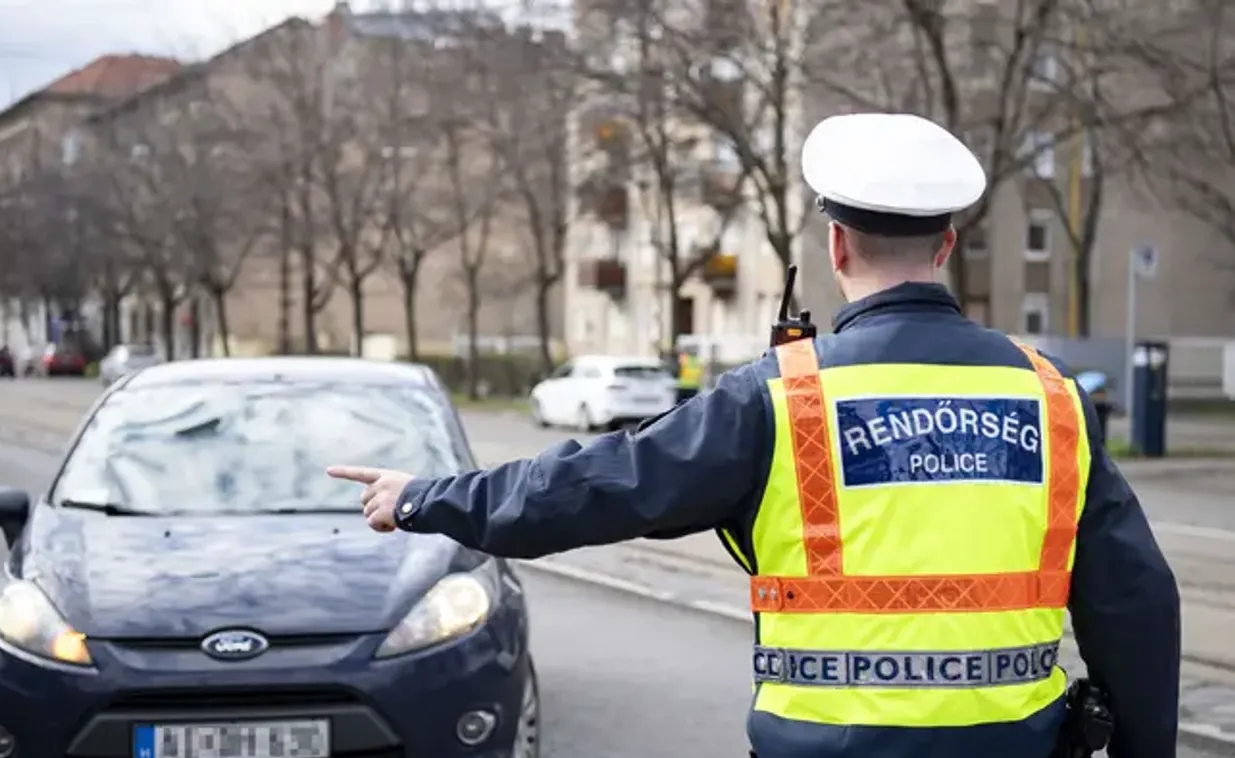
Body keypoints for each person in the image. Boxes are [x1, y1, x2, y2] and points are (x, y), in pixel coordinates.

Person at [328, 113, 1180, 758]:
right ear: (947, 245)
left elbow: (601, 485)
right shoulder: (1053, 399)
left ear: (836, 245)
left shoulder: (780, 397)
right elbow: (1135, 602)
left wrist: (424, 499)